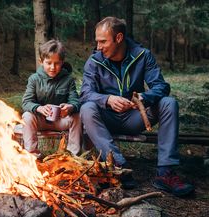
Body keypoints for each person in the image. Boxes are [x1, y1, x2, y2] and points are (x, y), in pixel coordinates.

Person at [79, 17, 194, 196]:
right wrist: (107, 99)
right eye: (97, 42)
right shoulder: (94, 61)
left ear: (118, 38)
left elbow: (161, 86)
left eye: (103, 41)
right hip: (106, 119)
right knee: (86, 108)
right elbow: (85, 94)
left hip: (135, 117)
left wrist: (143, 97)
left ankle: (165, 173)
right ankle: (118, 166)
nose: (99, 47)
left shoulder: (142, 55)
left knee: (168, 103)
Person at [22, 39, 81, 159]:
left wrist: (70, 107)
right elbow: (26, 102)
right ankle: (32, 154)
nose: (53, 67)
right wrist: (38, 108)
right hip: (40, 120)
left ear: (62, 62)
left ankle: (73, 155)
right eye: (48, 63)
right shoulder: (34, 79)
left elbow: (75, 101)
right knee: (27, 116)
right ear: (41, 62)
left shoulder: (68, 80)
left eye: (57, 63)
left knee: (77, 116)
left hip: (61, 120)